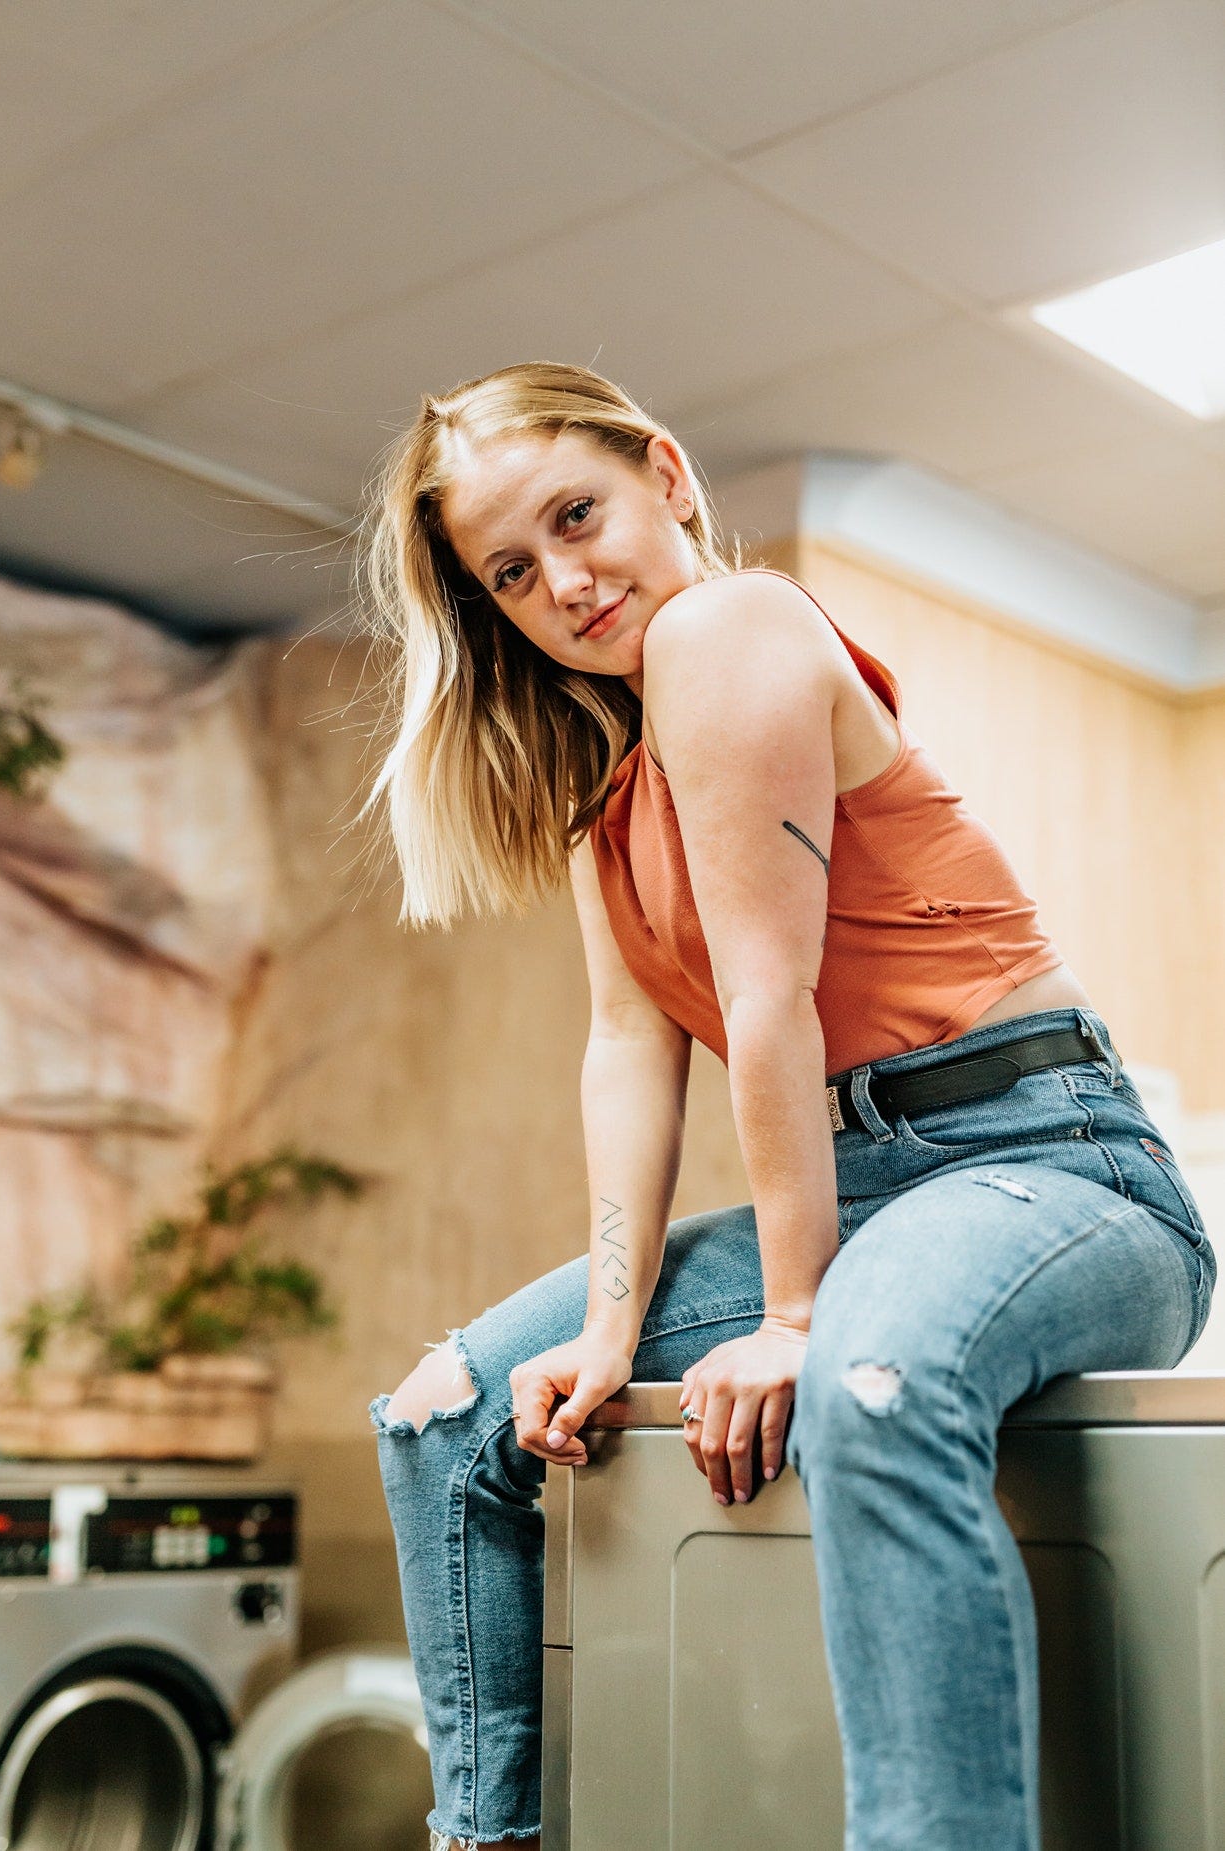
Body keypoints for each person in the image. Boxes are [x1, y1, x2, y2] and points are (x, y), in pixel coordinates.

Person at [362, 361, 1214, 1851]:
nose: (562, 580)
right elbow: (630, 1043)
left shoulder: (730, 626)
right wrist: (611, 1334)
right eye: (511, 570)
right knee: (445, 1419)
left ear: (667, 475)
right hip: (871, 1185)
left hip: (1058, 1168)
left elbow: (767, 998)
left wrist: (800, 1319)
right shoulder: (607, 795)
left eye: (579, 515)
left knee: (868, 1384)